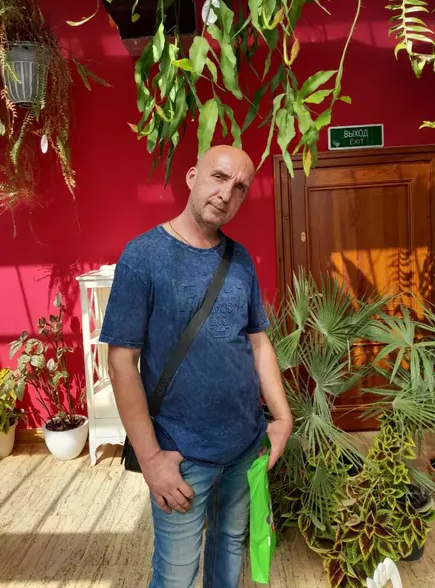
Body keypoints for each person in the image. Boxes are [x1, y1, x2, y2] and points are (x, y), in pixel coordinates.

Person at [99, 145, 293, 588]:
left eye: (239, 187)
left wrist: (283, 417)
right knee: (176, 577)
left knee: (228, 555)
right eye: (219, 177)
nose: (226, 193)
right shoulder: (143, 256)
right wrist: (151, 459)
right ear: (192, 176)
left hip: (245, 449)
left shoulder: (239, 260)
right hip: (181, 458)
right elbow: (121, 363)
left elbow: (259, 342)